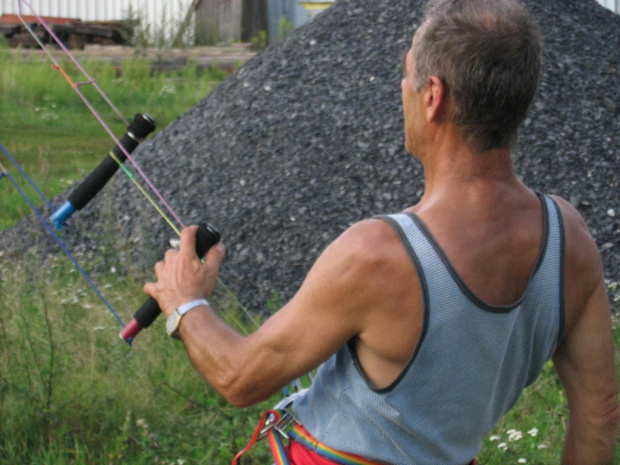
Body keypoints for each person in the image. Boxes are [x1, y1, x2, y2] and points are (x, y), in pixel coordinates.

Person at [144, 0, 619, 463]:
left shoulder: (377, 255)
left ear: (433, 96)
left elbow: (240, 378)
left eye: (408, 75)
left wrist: (186, 302)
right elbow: (600, 414)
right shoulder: (569, 238)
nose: (401, 88)